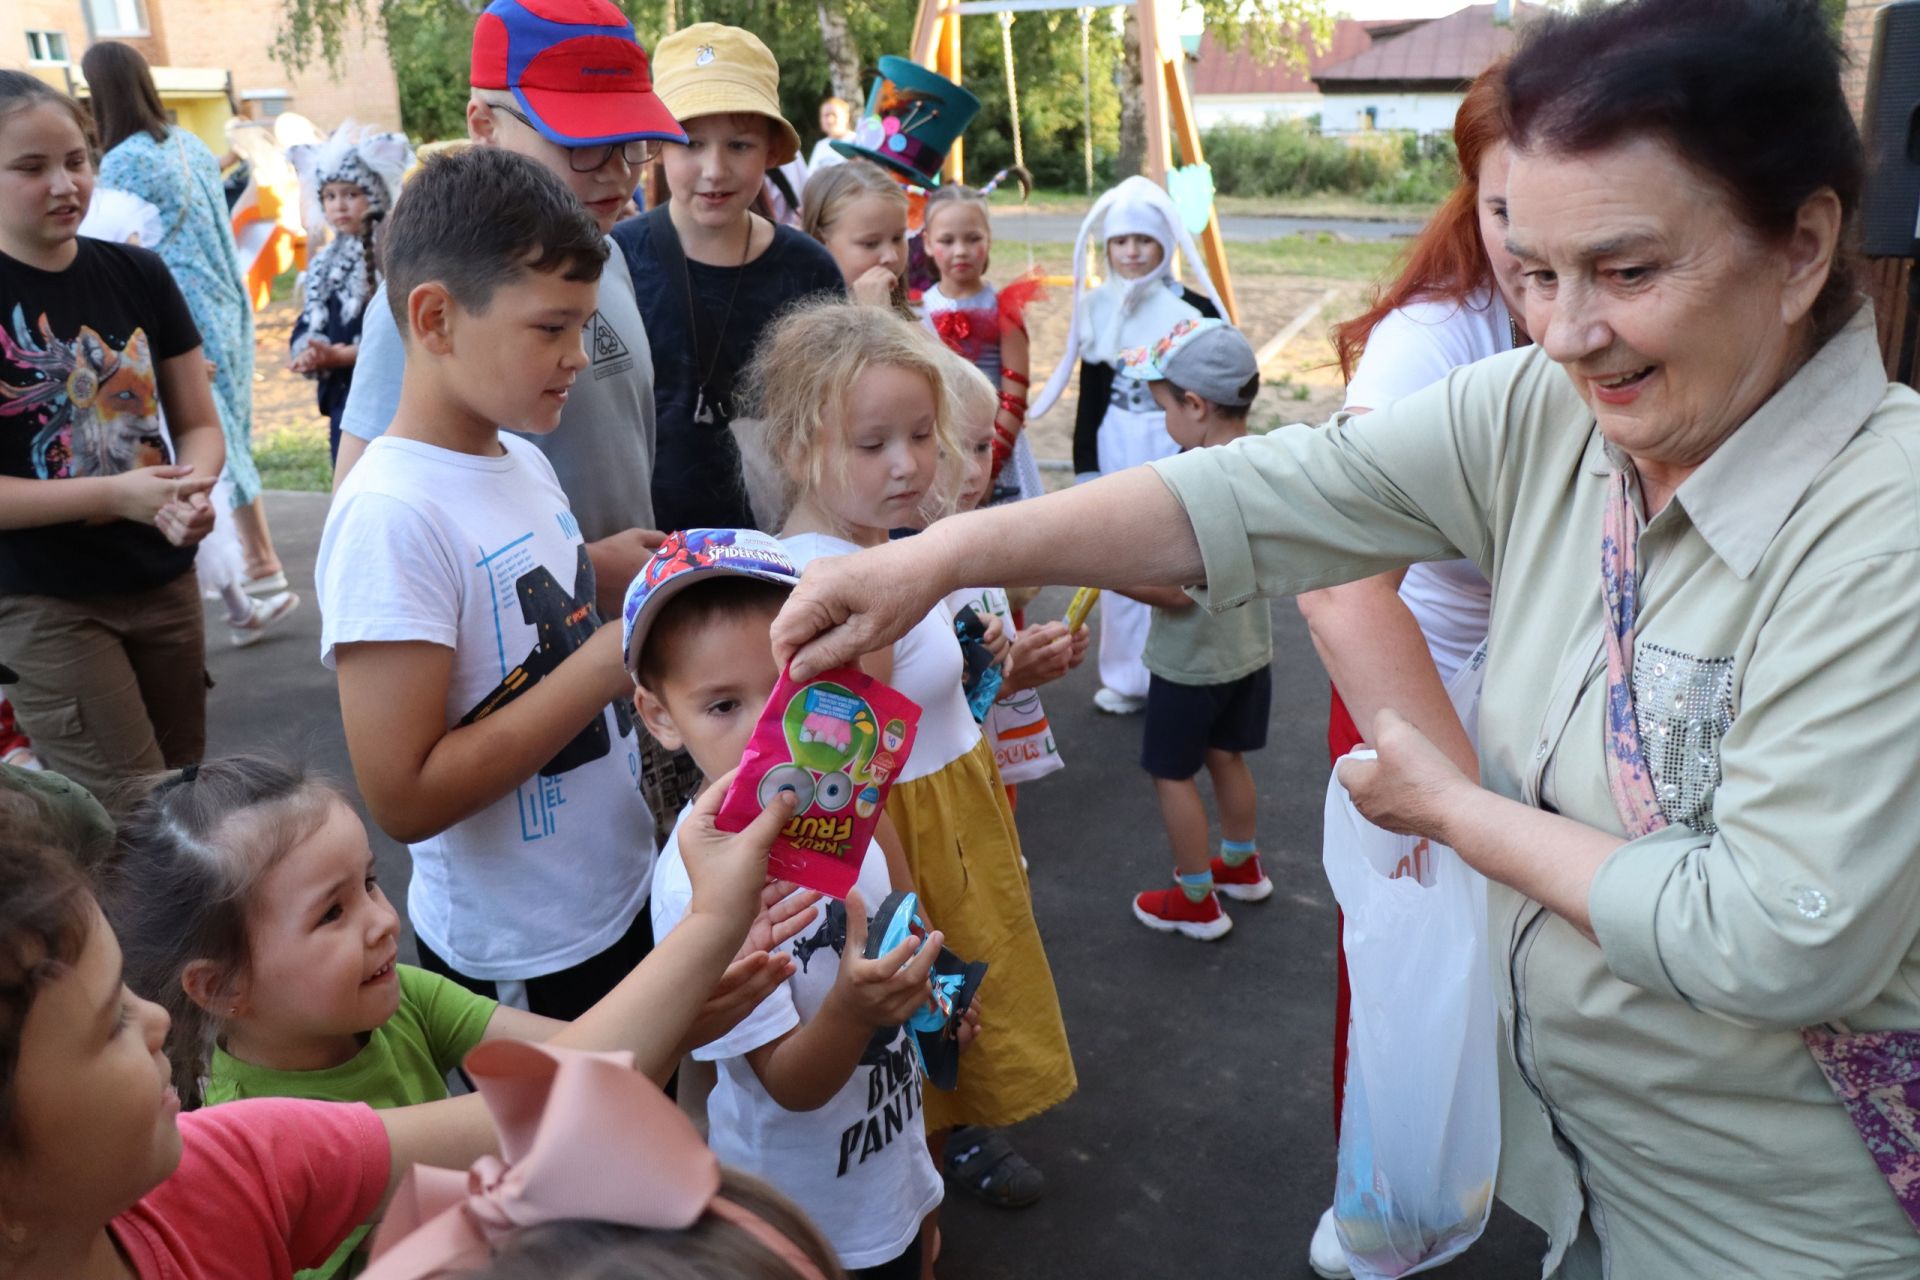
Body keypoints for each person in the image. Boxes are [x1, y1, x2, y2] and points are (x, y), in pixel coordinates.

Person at [769, 2, 1920, 1273]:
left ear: (1805, 245)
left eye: (1629, 270)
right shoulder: (1555, 412)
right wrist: (940, 554)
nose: (1564, 331)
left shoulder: (1888, 535)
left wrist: (1452, 806)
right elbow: (1264, 497)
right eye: (1531, 272)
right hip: (1592, 1184)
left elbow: (1770, 932)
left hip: (1782, 1229)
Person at [0, 760, 794, 1280]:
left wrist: (693, 986)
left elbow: (574, 1075)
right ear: (219, 988)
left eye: (370, 885)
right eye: (109, 1024)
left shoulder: (252, 1158)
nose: (155, 1027)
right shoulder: (251, 1141)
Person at [743, 300, 1075, 1212]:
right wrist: (893, 904)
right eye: (872, 443)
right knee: (929, 1016)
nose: (907, 463)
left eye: (923, 435)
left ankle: (943, 1136)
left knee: (955, 1016)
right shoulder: (830, 582)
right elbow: (847, 784)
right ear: (799, 447)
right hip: (906, 842)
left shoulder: (886, 549)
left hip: (950, 810)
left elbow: (925, 706)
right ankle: (935, 1151)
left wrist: (998, 680)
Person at [317, 148, 655, 1020]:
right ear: (434, 319)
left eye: (582, 326)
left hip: (615, 893)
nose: (577, 356)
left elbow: (517, 613)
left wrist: (605, 568)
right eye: (551, 328)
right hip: (526, 953)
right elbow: (405, 794)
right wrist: (612, 658)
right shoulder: (390, 517)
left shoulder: (523, 460)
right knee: (559, 1155)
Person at [1293, 61, 1527, 1280]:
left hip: (1550, 680)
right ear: (1473, 197)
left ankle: (1530, 1165)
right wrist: (1444, 783)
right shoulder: (1435, 343)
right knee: (1411, 935)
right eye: (1509, 210)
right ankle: (1395, 1200)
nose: (1546, 252)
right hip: (1420, 686)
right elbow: (1340, 578)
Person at [627, 530, 946, 1279]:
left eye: (783, 691)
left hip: (891, 1164)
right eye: (723, 705)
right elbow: (791, 1085)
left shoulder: (857, 809)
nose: (764, 732)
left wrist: (933, 979)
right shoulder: (699, 889)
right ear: (659, 714)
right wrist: (858, 1010)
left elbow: (904, 912)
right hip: (803, 1222)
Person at [332, 0, 677, 613]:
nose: (619, 175)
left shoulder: (608, 259)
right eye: (585, 144)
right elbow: (362, 540)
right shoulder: (433, 305)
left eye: (633, 142)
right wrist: (588, 570)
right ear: (484, 125)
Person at [0, 72, 223, 797]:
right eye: (31, 168)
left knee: (185, 801)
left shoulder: (140, 272)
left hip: (163, 578)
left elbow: (197, 424)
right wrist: (117, 494)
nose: (65, 183)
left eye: (77, 159)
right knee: (134, 821)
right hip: (49, 603)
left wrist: (188, 491)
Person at [612, 22, 846, 533]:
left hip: (783, 546)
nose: (714, 169)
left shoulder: (810, 270)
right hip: (649, 552)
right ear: (658, 147)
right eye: (691, 143)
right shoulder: (615, 263)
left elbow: (835, 418)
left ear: (770, 151)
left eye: (739, 145)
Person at [83, 41, 286, 596]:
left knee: (212, 431)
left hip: (177, 312)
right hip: (229, 299)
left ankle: (258, 562)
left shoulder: (121, 161)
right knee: (232, 429)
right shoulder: (192, 144)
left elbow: (113, 246)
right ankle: (260, 557)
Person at [1027, 175, 1226, 715]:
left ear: (1165, 245)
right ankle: (1124, 677)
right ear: (1106, 247)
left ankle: (1178, 672)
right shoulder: (1095, 306)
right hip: (1115, 436)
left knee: (1175, 559)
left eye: (1143, 240)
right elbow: (1089, 394)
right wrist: (1086, 466)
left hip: (1171, 440)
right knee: (1118, 563)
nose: (1132, 252)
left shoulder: (1194, 308)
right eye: (1121, 241)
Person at [1111, 319, 1272, 941]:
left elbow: (1174, 595)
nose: (1164, 422)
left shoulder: (1189, 484)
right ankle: (1241, 862)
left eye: (1165, 409)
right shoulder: (1261, 460)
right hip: (1247, 653)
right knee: (1225, 754)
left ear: (1197, 405)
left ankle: (1195, 896)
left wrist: (1105, 572)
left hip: (1190, 663)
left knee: (1172, 772)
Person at [939, 354, 1084, 796]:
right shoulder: (910, 561)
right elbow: (916, 713)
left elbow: (979, 648)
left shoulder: (969, 532)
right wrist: (1015, 675)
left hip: (987, 776)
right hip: (947, 793)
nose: (972, 470)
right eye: (950, 449)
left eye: (982, 446)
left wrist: (1031, 648)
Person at [287, 124, 412, 467]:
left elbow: (404, 331)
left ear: (375, 194)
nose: (339, 205)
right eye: (329, 196)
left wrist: (350, 355)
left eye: (350, 194)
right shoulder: (324, 264)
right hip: (342, 402)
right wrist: (307, 350)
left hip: (388, 401)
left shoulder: (393, 259)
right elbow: (310, 319)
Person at [920, 179, 1045, 510]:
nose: (961, 250)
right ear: (928, 243)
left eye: (973, 238)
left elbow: (1014, 396)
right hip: (939, 444)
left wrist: (990, 468)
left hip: (994, 446)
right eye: (947, 240)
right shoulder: (919, 310)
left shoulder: (1002, 307)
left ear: (988, 240)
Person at [801, 159, 912, 315]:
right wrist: (873, 315)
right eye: (870, 243)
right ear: (820, 241)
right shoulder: (805, 322)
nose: (891, 256)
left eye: (898, 238)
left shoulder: (915, 310)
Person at [809, 96, 854, 173]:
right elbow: (810, 177)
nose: (830, 120)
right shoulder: (820, 145)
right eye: (826, 115)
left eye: (834, 114)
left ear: (846, 117)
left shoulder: (856, 142)